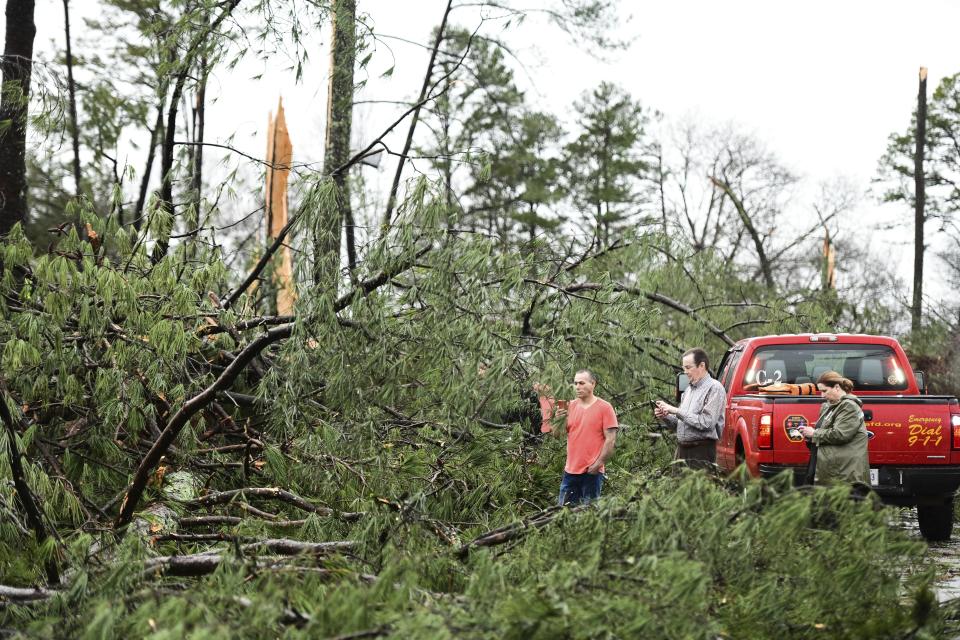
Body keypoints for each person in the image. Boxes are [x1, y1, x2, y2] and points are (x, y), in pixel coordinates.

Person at [541, 370, 618, 505]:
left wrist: (598, 464)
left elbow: (611, 439)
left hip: (592, 472)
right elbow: (557, 436)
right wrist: (559, 420)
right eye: (575, 383)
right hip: (570, 471)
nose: (577, 387)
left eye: (582, 383)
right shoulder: (568, 406)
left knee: (589, 515)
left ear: (593, 384)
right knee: (563, 514)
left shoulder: (605, 407)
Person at [654, 348, 725, 469]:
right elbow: (681, 425)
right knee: (676, 487)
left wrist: (676, 410)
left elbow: (707, 423)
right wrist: (665, 416)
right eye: (683, 368)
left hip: (701, 452)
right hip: (681, 451)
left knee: (698, 488)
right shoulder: (687, 390)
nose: (685, 372)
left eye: (688, 367)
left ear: (702, 365)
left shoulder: (714, 388)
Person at [798, 370, 869, 485]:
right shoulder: (830, 407)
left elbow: (841, 434)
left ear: (836, 387)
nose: (822, 395)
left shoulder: (848, 406)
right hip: (832, 469)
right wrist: (810, 437)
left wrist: (814, 433)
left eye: (824, 391)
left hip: (844, 472)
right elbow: (826, 433)